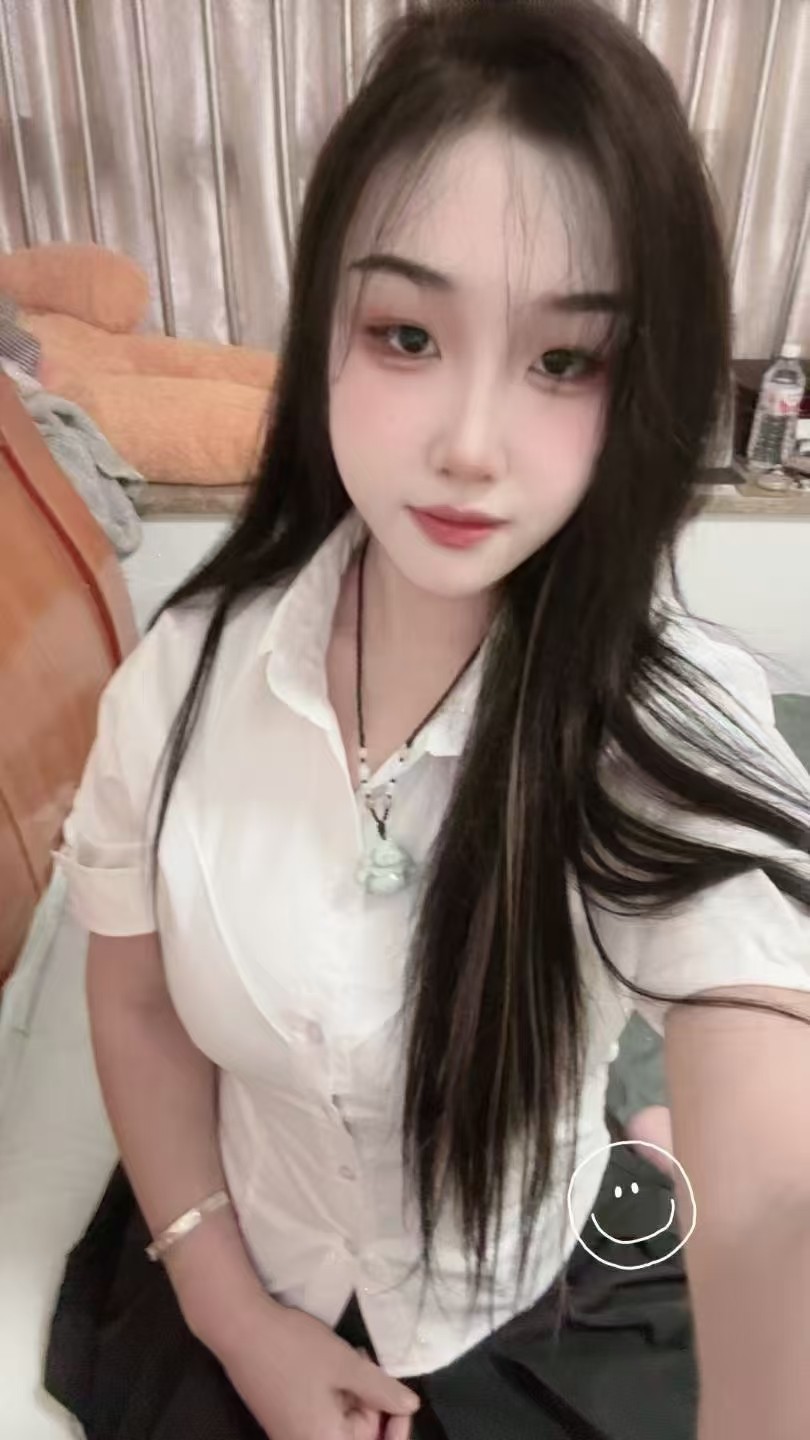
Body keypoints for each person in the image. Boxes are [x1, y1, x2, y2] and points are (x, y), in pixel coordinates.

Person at [43, 2, 810, 1438]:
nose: (469, 444)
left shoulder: (659, 718)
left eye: (563, 361)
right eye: (406, 334)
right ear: (324, 333)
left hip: (534, 1297)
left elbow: (772, 1140)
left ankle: (628, 1147)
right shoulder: (183, 678)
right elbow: (135, 1000)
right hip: (236, 1262)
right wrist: (232, 1316)